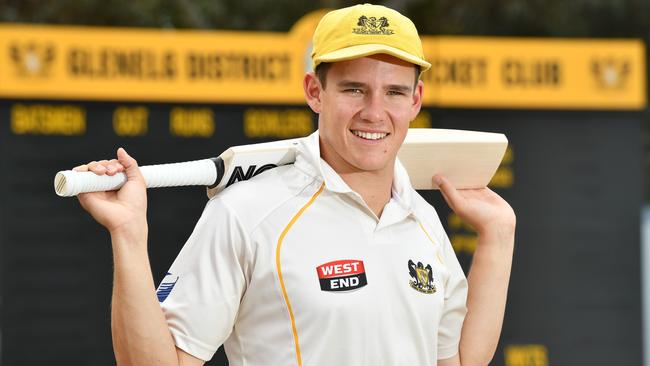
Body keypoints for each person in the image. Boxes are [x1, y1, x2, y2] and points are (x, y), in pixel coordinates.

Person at [74, 4, 515, 366]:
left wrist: (497, 238)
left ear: (416, 100)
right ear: (314, 92)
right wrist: (128, 235)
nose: (375, 112)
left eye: (395, 92)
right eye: (354, 89)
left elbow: (455, 361)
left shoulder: (422, 220)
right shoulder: (246, 212)